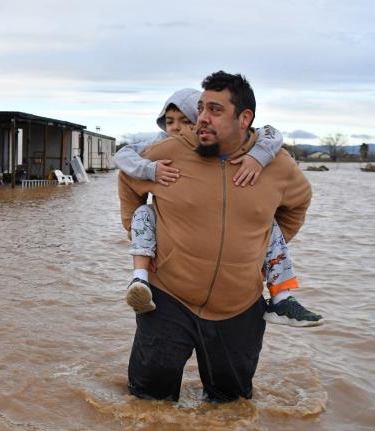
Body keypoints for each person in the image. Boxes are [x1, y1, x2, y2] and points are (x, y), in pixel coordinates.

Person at [118, 71, 313, 402]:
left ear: (244, 118)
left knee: (230, 406)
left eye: (215, 110)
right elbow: (127, 179)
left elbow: (299, 202)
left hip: (239, 308)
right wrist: (145, 239)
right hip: (167, 300)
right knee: (147, 405)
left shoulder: (276, 164)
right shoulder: (170, 152)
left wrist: (258, 249)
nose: (202, 119)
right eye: (202, 108)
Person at [115, 88, 323, 327]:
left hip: (239, 302)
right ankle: (139, 279)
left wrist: (259, 156)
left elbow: (272, 135)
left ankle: (281, 298)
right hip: (169, 294)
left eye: (185, 121)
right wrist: (149, 172)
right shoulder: (162, 150)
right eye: (169, 122)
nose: (177, 128)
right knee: (143, 214)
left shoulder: (259, 154)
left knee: (269, 224)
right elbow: (125, 163)